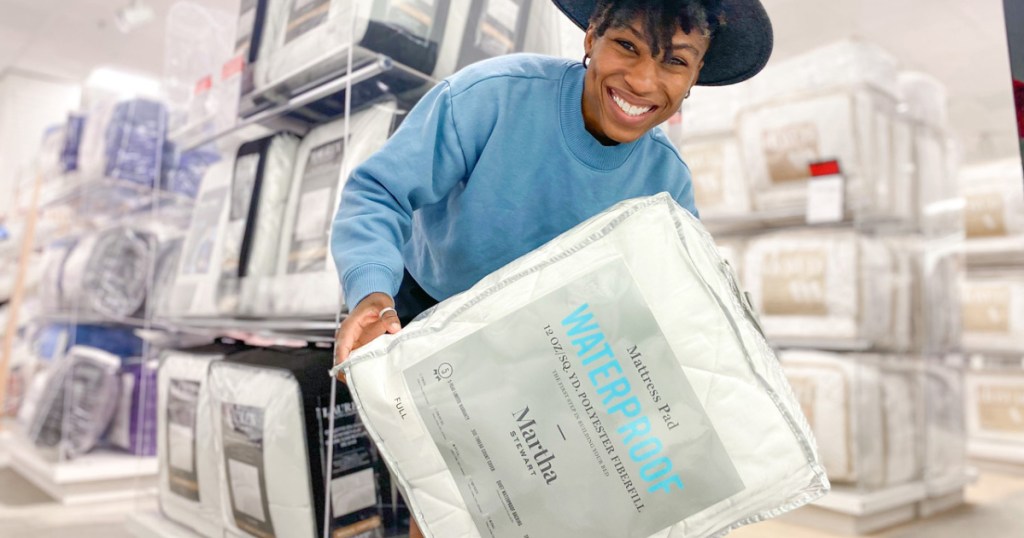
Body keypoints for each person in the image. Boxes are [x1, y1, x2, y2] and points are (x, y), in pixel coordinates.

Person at [330, 0, 771, 535]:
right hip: (431, 320)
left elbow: (676, 310)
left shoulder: (666, 186)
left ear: (696, 75)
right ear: (591, 38)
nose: (641, 80)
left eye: (674, 62)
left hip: (550, 355)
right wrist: (372, 293)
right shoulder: (493, 95)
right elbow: (379, 193)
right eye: (626, 46)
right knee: (446, 508)